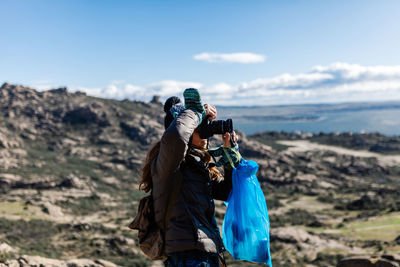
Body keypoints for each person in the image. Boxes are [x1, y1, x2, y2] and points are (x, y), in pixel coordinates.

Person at [139, 88, 238, 267]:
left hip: (204, 255)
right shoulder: (167, 165)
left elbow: (227, 192)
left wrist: (229, 155)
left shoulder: (197, 164)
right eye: (200, 127)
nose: (206, 131)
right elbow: (176, 137)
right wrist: (195, 112)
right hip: (187, 257)